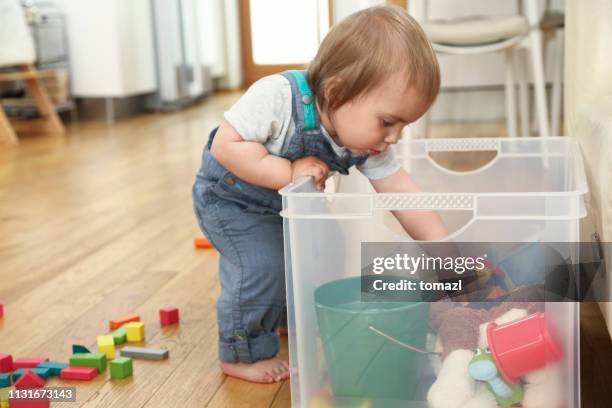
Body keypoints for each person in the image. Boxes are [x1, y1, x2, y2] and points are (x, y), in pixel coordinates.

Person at [192, 5, 447, 384]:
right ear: (337, 93)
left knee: (327, 247)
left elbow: (402, 194)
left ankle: (283, 316)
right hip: (232, 201)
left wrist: (447, 250)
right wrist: (287, 171)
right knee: (262, 265)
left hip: (288, 206)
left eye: (404, 125)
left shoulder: (366, 141)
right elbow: (225, 147)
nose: (394, 137)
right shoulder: (276, 96)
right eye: (388, 122)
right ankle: (240, 351)